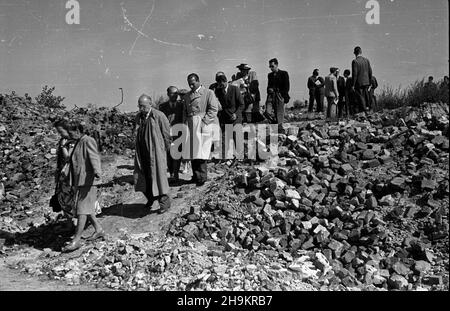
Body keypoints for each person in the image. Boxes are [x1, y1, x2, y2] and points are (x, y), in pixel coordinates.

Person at [62, 121, 104, 253]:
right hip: (80, 181)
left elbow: (94, 156)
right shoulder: (78, 142)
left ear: (78, 131)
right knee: (86, 209)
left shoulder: (88, 140)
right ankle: (99, 230)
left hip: (88, 180)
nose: (69, 135)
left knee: (81, 211)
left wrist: (97, 171)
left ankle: (76, 240)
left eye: (71, 133)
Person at [134, 94, 172, 214]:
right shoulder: (138, 117)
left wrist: (165, 149)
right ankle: (150, 198)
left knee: (159, 177)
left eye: (143, 106)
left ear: (150, 104)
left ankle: (164, 203)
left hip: (156, 152)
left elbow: (166, 133)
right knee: (145, 176)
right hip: (143, 152)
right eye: (139, 106)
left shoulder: (159, 116)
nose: (141, 109)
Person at [182, 73, 219, 186]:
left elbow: (213, 109)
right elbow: (185, 111)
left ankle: (202, 177)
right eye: (189, 84)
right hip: (190, 124)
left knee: (202, 152)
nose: (191, 86)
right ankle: (195, 176)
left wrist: (204, 122)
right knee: (193, 152)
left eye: (193, 84)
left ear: (198, 81)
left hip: (202, 124)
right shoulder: (187, 95)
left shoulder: (208, 93)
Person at [159, 86, 184, 182]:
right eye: (172, 93)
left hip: (179, 132)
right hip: (166, 133)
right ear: (168, 94)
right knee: (169, 154)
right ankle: (171, 172)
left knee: (177, 154)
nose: (174, 95)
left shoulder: (181, 105)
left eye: (176, 93)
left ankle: (176, 173)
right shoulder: (162, 107)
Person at [53, 120, 77, 219]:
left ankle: (74, 222)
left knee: (69, 198)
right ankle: (69, 222)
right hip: (63, 173)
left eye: (61, 131)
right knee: (63, 198)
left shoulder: (72, 142)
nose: (60, 134)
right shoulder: (64, 140)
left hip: (70, 174)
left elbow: (69, 158)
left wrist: (63, 147)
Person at [266, 58, 290, 125]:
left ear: (276, 65)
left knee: (279, 114)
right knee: (267, 112)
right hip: (271, 95)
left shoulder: (284, 73)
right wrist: (269, 90)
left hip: (280, 95)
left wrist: (283, 97)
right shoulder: (270, 75)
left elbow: (286, 86)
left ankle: (279, 127)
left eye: (272, 66)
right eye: (270, 66)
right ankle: (274, 121)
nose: (271, 68)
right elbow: (268, 85)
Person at [351, 46, 373, 113]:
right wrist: (370, 80)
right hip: (366, 81)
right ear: (361, 52)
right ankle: (369, 108)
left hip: (359, 82)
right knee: (366, 96)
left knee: (360, 97)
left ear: (354, 53)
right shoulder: (366, 60)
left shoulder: (355, 61)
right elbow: (370, 71)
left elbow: (355, 74)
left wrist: (353, 84)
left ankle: (364, 111)